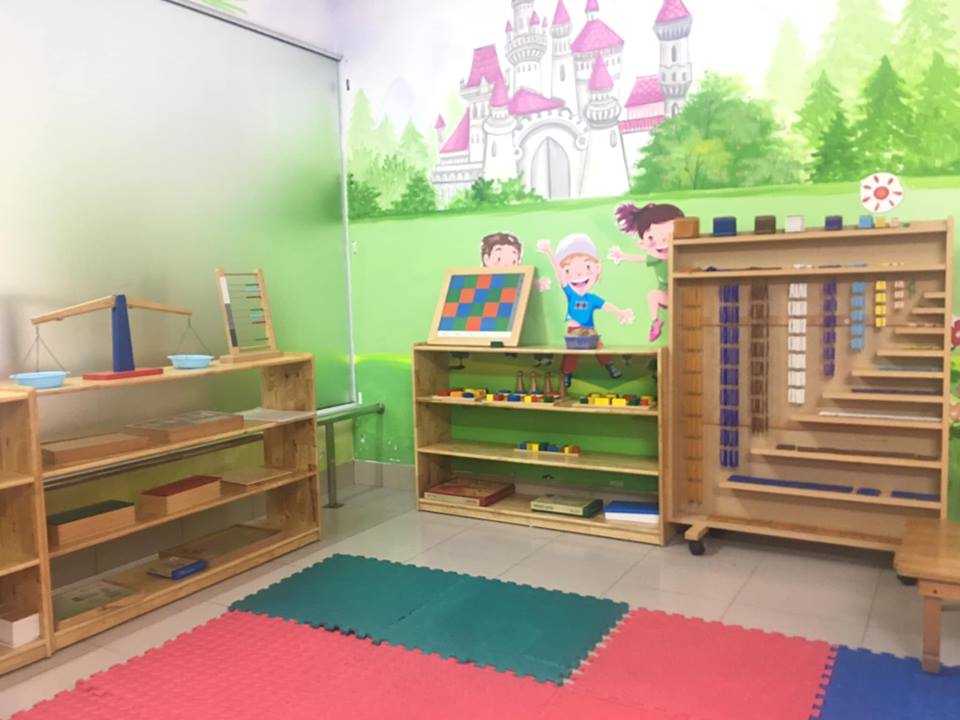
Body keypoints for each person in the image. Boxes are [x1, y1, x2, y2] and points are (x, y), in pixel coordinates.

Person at [538, 234, 634, 387]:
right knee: (572, 353)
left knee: (599, 347)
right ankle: (567, 373)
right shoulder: (570, 293)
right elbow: (559, 272)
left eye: (586, 268)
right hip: (574, 330)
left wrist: (620, 313)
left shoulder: (592, 298)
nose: (578, 275)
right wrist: (549, 252)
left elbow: (606, 305)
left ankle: (609, 365)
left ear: (597, 268)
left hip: (590, 330)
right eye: (569, 270)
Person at [608, 202, 685, 341]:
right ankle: (656, 322)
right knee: (652, 295)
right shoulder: (657, 259)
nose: (662, 244)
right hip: (667, 296)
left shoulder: (679, 256)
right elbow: (641, 258)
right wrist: (623, 256)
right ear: (642, 244)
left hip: (682, 294)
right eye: (651, 238)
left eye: (669, 236)